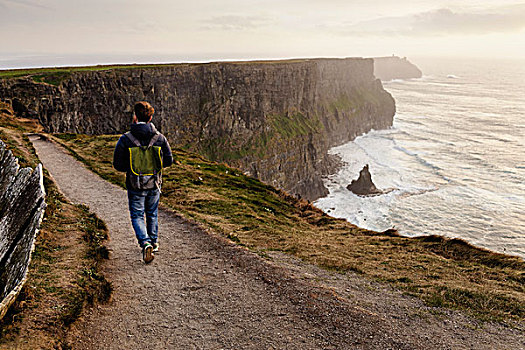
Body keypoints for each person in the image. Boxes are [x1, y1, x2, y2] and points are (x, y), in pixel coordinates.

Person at [113, 101, 173, 263]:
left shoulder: (126, 139)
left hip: (135, 184)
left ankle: (145, 242)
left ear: (135, 117)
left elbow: (118, 164)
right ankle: (153, 241)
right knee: (152, 213)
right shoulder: (160, 138)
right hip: (154, 183)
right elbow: (168, 160)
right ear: (150, 117)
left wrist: (133, 167)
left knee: (137, 215)